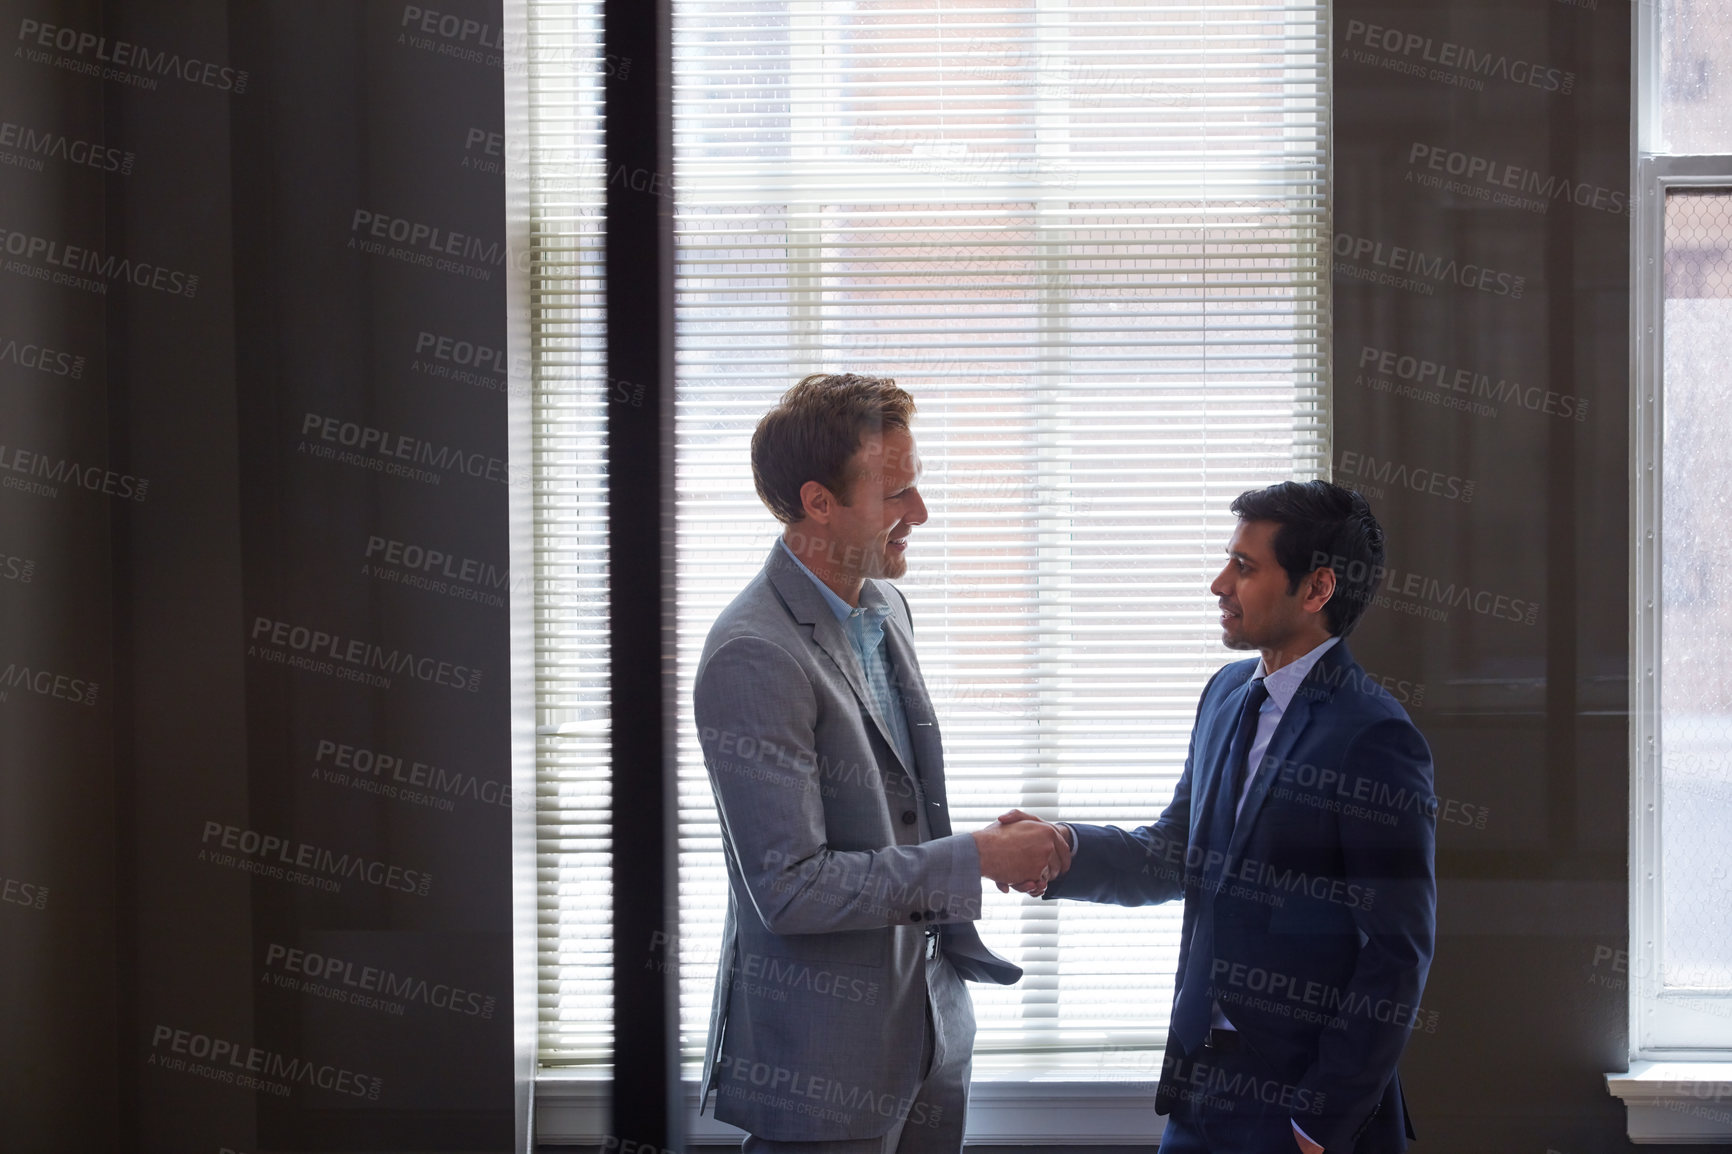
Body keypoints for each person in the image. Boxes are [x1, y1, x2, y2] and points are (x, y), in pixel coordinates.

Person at [694, 373, 1071, 1153]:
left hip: (930, 1033)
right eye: (896, 493)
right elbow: (790, 891)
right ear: (818, 502)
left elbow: (896, 813)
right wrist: (975, 857)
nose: (920, 514)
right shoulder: (752, 655)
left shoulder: (884, 604)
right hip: (822, 1068)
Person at [1012, 480, 1436, 1153]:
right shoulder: (1225, 695)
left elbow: (1398, 950)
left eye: (1244, 567)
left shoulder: (1374, 736)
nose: (1219, 583)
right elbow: (1175, 854)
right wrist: (1062, 850)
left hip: (1298, 1106)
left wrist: (1317, 1121)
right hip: (1199, 1090)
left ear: (1318, 589)